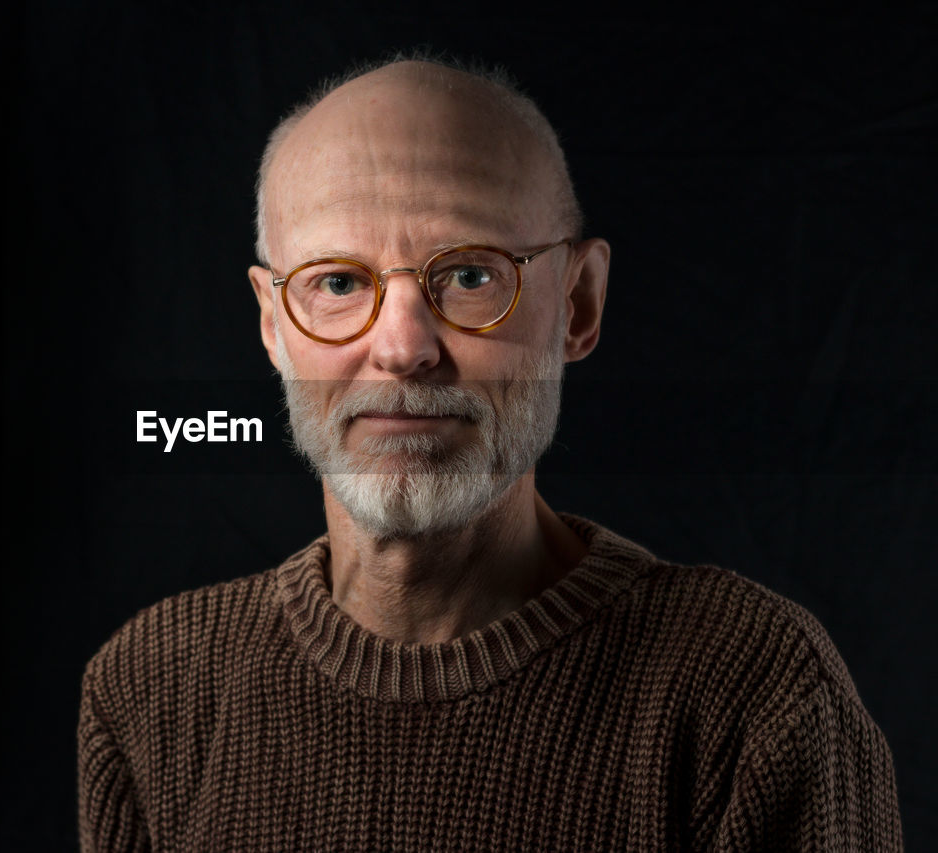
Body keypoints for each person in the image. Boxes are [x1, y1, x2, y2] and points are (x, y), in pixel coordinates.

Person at [78, 55, 902, 851]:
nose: (402, 349)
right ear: (272, 324)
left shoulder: (757, 696)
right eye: (337, 283)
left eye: (469, 275)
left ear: (578, 304)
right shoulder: (152, 689)